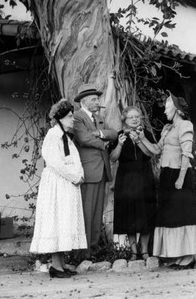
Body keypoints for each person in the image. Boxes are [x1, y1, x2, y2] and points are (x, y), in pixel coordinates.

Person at [30, 99, 87, 278]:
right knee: (57, 220)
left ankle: (61, 263)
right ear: (60, 118)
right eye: (70, 116)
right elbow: (54, 162)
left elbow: (71, 159)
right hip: (57, 185)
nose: (72, 119)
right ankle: (55, 266)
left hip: (65, 185)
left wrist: (79, 174)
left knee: (64, 221)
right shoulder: (53, 136)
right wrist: (75, 176)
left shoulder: (64, 136)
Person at [153, 91, 196, 269]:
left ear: (176, 109)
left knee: (183, 214)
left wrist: (181, 178)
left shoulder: (185, 125)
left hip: (179, 174)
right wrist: (139, 140)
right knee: (171, 215)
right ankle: (178, 255)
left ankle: (188, 257)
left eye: (168, 105)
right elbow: (156, 150)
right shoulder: (168, 129)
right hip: (167, 173)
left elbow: (187, 153)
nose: (165, 109)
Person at [73, 83, 117, 260]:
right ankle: (82, 253)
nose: (97, 101)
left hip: (101, 171)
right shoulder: (77, 117)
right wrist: (103, 141)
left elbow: (113, 133)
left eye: (97, 98)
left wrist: (99, 133)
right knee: (86, 212)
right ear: (84, 101)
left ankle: (93, 249)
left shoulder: (98, 118)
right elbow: (83, 138)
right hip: (88, 171)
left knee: (97, 212)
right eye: (94, 99)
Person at [110, 106, 160, 261]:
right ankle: (133, 251)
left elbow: (150, 153)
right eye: (131, 117)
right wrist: (119, 144)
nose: (134, 119)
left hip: (144, 176)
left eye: (137, 116)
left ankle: (144, 251)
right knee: (128, 214)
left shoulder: (146, 134)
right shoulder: (118, 135)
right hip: (126, 178)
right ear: (125, 119)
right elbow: (112, 158)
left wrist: (139, 141)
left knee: (146, 213)